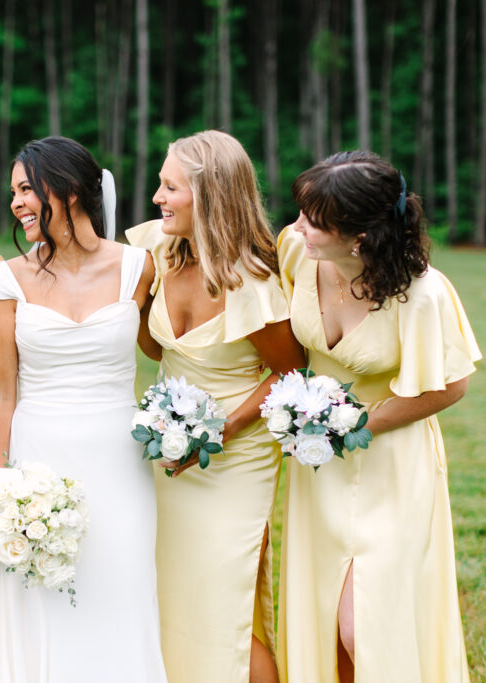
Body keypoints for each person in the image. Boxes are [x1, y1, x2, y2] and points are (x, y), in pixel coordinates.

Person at [276, 151, 480, 683]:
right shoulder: (297, 254)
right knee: (326, 618)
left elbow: (450, 386)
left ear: (359, 236)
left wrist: (356, 426)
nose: (297, 227)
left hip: (391, 467)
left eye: (314, 220)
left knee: (364, 625)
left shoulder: (422, 293)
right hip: (318, 466)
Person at [0, 136, 168, 682]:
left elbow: (164, 347)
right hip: (39, 458)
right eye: (12, 191)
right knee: (43, 599)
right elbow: (0, 395)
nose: (15, 203)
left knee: (121, 588)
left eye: (25, 189)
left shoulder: (140, 268)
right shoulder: (8, 279)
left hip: (119, 460)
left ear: (66, 189)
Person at [126, 130, 305, 683]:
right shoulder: (157, 250)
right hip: (166, 452)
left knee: (221, 604)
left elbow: (289, 373)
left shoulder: (252, 281)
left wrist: (219, 430)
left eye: (170, 187)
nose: (157, 198)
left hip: (234, 459)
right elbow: (159, 348)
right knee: (167, 595)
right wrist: (130, 311)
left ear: (210, 196)